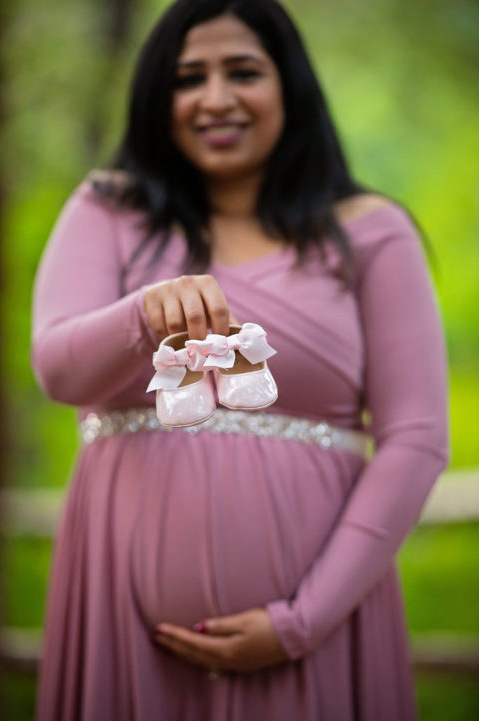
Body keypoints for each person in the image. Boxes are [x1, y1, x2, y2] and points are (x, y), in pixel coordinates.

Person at [31, 0, 449, 719]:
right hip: (123, 627)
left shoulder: (371, 231)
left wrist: (303, 620)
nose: (215, 98)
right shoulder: (106, 209)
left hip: (317, 629)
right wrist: (141, 313)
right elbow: (58, 371)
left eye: (243, 71)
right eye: (189, 77)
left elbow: (416, 439)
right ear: (160, 96)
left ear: (289, 85)